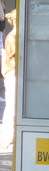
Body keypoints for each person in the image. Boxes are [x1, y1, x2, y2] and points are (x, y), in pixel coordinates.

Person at [1, 8, 15, 152]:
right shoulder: (12, 37)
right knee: (11, 106)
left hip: (13, 73)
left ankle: (10, 137)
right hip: (13, 73)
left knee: (13, 106)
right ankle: (7, 138)